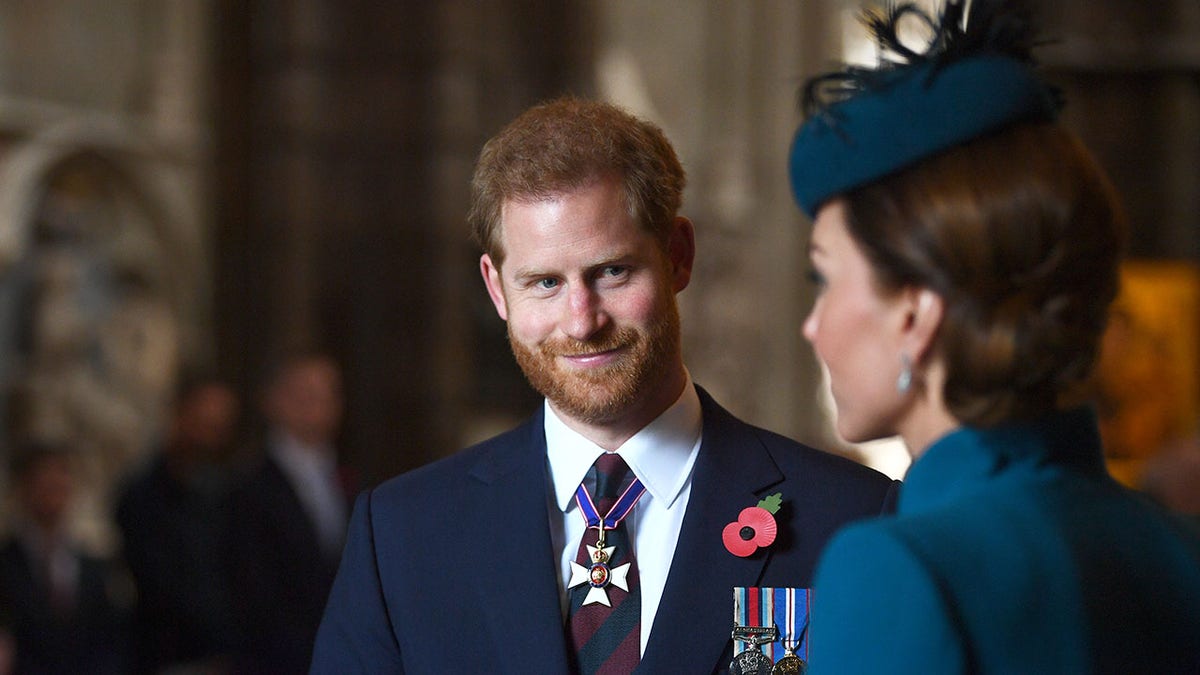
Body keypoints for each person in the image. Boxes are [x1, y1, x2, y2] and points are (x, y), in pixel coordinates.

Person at [311, 96, 899, 674]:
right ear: (496, 290)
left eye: (612, 271)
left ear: (679, 256)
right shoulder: (400, 537)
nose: (581, 320)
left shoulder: (850, 519)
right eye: (543, 282)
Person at [787, 1, 1200, 672]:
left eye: (823, 278)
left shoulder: (898, 569)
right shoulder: (1177, 548)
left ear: (916, 317)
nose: (814, 324)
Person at [224, 352, 352, 674]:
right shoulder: (247, 488)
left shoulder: (351, 479)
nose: (318, 406)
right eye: (305, 394)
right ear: (273, 401)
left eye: (328, 394)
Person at [115, 371, 240, 674]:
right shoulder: (143, 495)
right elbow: (159, 584)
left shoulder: (225, 492)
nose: (212, 431)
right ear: (182, 413)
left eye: (220, 425)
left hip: (224, 656)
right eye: (205, 420)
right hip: (168, 656)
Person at [0, 441, 129, 674]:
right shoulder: (6, 565)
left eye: (61, 476)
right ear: (23, 486)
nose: (53, 485)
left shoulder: (93, 566)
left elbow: (109, 642)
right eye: (43, 478)